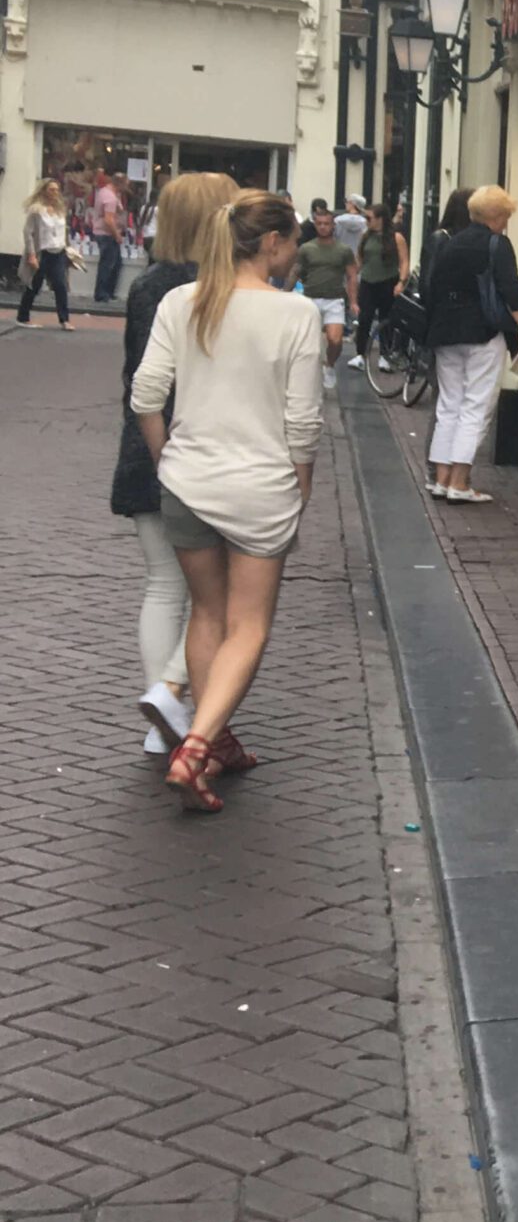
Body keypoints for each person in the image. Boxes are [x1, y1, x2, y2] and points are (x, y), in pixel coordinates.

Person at [130, 191, 325, 813]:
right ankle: (195, 749)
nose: (295, 255)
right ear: (271, 243)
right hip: (260, 488)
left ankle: (216, 741)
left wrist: (165, 461)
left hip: (187, 483)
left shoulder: (180, 301)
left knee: (206, 615)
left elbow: (145, 395)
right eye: (293, 244)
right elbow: (303, 422)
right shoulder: (295, 314)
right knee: (249, 625)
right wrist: (302, 486)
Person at [115, 172, 241, 760]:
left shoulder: (149, 286)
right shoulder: (230, 288)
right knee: (222, 594)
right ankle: (174, 692)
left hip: (145, 448)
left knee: (163, 585)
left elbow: (138, 380)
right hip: (207, 452)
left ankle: (163, 712)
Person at [421, 185, 518, 503]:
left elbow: (433, 289)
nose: (506, 223)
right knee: (476, 407)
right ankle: (459, 484)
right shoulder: (497, 244)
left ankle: (441, 479)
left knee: (448, 406)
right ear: (497, 216)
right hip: (483, 334)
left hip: (445, 334)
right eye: (506, 216)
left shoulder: (450, 244)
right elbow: (511, 291)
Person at [295, 211, 360, 395]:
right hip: (311, 298)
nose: (323, 227)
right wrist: (284, 293)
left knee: (335, 340)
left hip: (334, 299)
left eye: (326, 223)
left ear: (333, 226)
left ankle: (329, 364)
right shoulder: (307, 248)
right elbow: (296, 271)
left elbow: (352, 276)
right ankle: (309, 377)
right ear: (315, 225)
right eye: (319, 223)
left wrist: (353, 301)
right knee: (309, 343)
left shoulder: (343, 250)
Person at [352, 202, 407, 360]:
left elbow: (404, 261)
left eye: (369, 218)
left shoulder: (396, 238)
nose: (366, 221)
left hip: (388, 282)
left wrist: (401, 282)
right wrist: (352, 276)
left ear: (380, 219)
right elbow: (359, 260)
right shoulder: (365, 237)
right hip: (368, 282)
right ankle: (361, 354)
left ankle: (385, 354)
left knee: (386, 319)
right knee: (364, 318)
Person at [19, 179, 74, 328]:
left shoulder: (60, 210)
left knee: (60, 285)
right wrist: (31, 254)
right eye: (51, 190)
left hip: (58, 252)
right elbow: (28, 233)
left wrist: (68, 249)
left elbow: (63, 231)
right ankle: (23, 316)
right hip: (42, 252)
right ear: (44, 191)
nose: (55, 193)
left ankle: (64, 320)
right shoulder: (37, 210)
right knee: (34, 285)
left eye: (57, 190)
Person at [92, 170, 128, 303]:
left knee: (115, 263)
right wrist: (117, 235)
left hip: (105, 233)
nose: (126, 188)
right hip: (107, 234)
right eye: (126, 185)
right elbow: (109, 220)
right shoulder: (110, 198)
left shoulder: (105, 192)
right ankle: (102, 294)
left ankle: (108, 292)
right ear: (120, 184)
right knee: (108, 264)